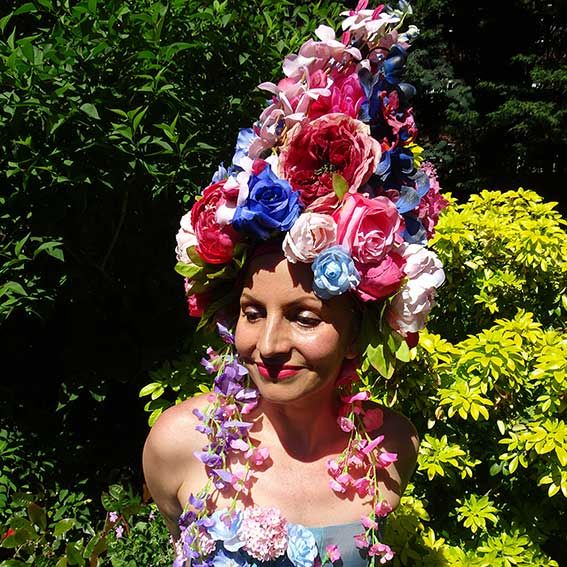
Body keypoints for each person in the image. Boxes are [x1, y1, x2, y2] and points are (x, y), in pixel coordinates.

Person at [143, 2, 447, 565]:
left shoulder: (391, 447)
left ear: (358, 331)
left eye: (304, 317)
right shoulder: (179, 444)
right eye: (252, 311)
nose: (268, 345)